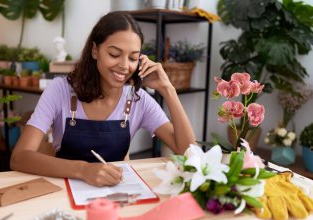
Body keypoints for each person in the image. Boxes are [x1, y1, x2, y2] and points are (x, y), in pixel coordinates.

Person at [11, 11, 196, 187]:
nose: (124, 66)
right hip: (62, 192)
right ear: (94, 50)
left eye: (133, 58)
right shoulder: (60, 90)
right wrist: (83, 170)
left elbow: (189, 152)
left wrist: (168, 89)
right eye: (114, 54)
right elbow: (19, 157)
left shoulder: (139, 100)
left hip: (114, 194)